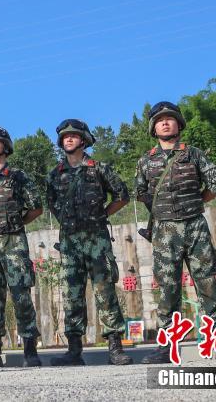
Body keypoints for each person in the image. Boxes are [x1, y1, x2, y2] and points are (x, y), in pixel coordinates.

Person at [136, 102, 216, 364]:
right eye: (160, 120)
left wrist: (196, 202)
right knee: (168, 289)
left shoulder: (194, 154)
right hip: (164, 231)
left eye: (170, 119)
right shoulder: (145, 161)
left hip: (195, 228)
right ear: (153, 128)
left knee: (207, 284)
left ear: (179, 124)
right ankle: (166, 347)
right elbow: (141, 192)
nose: (165, 123)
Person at [45, 119, 132, 366]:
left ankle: (115, 347)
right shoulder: (55, 174)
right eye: (64, 137)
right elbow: (52, 203)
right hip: (70, 241)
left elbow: (122, 195)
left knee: (105, 291)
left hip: (97, 239)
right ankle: (74, 350)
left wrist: (103, 214)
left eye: (73, 136)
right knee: (71, 294)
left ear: (84, 140)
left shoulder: (99, 168)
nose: (68, 139)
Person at [0, 127, 44, 369]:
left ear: (5, 146)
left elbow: (36, 207)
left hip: (13, 242)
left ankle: (30, 348)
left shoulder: (18, 176)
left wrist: (17, 223)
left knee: (21, 294)